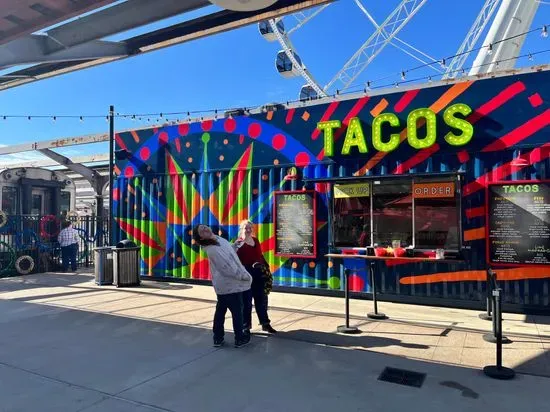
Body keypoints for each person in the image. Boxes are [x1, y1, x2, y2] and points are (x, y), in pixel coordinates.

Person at [193, 224, 252, 348]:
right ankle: (239, 338)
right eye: (201, 231)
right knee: (237, 311)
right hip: (229, 284)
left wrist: (234, 246)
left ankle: (218, 338)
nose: (205, 229)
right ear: (201, 238)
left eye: (204, 227)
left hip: (224, 286)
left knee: (220, 311)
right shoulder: (212, 249)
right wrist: (243, 276)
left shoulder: (218, 240)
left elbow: (227, 252)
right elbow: (226, 267)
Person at [233, 220, 277, 334]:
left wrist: (265, 269)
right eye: (245, 228)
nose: (248, 230)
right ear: (241, 229)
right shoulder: (238, 243)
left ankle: (265, 324)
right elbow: (236, 262)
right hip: (246, 276)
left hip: (259, 275)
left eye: (250, 228)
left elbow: (259, 255)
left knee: (262, 301)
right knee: (246, 303)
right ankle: (246, 326)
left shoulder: (256, 240)